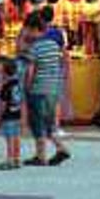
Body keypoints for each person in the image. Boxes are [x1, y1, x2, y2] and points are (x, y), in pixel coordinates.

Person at [22, 13, 71, 166]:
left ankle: (41, 155)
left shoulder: (34, 47)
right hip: (53, 88)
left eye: (28, 30)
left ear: (34, 29)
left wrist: (27, 87)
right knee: (48, 123)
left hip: (38, 89)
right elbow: (62, 61)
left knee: (37, 122)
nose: (26, 33)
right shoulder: (54, 45)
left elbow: (31, 70)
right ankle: (61, 148)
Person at [0, 58, 23, 170]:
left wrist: (0, 115)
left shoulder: (5, 87)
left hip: (8, 115)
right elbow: (22, 100)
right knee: (17, 137)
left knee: (9, 138)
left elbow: (3, 103)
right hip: (17, 114)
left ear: (4, 72)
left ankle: (9, 160)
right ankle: (17, 159)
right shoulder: (18, 85)